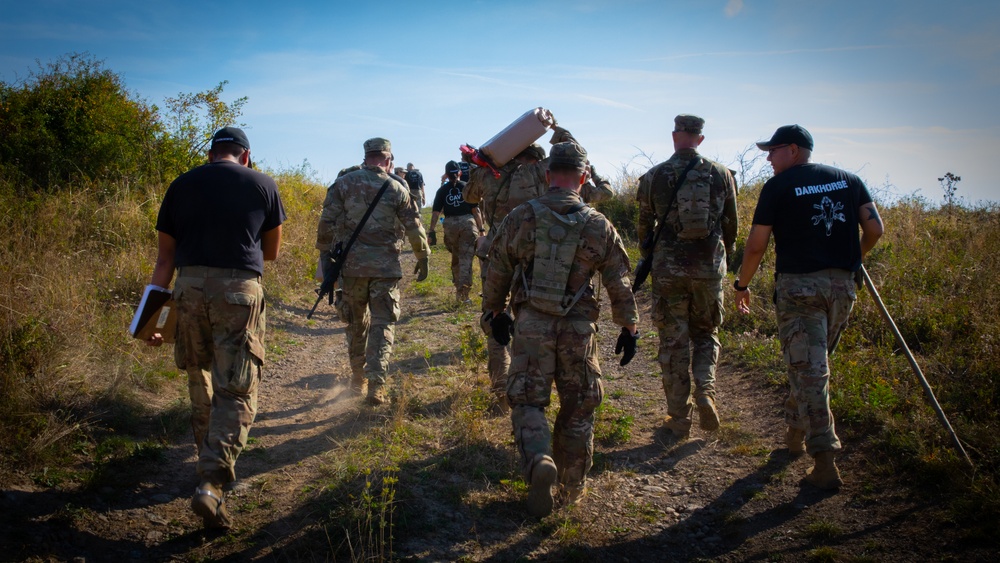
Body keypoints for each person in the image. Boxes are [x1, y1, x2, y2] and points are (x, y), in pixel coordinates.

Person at [482, 142, 639, 517]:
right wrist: (629, 327)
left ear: (549, 176)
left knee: (528, 400)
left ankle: (538, 461)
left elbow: (498, 268)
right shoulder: (599, 224)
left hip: (532, 322)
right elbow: (619, 280)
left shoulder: (521, 216)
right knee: (579, 406)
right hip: (579, 331)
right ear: (583, 179)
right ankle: (573, 488)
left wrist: (494, 313)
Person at [145, 126, 286, 530]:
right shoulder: (262, 184)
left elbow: (164, 260)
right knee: (237, 388)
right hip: (239, 291)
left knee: (199, 376)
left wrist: (150, 320)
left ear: (210, 154)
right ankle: (212, 482)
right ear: (246, 155)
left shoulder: (181, 185)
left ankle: (207, 468)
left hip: (186, 288)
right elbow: (271, 253)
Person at [734, 124, 883, 489]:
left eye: (773, 150)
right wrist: (851, 260)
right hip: (841, 287)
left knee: (810, 369)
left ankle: (825, 459)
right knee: (813, 365)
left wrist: (742, 284)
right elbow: (876, 229)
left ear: (794, 150)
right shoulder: (850, 180)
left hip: (799, 288)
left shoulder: (779, 187)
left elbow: (756, 245)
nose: (768, 157)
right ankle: (794, 430)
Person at [465, 129, 613, 413]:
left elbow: (467, 195)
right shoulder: (542, 173)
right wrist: (588, 164)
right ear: (538, 156)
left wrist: (484, 163)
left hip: (498, 255)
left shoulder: (489, 175)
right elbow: (600, 193)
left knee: (495, 318)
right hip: (541, 255)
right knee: (534, 317)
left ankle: (501, 388)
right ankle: (536, 380)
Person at [636, 114, 739, 439]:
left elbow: (644, 228)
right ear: (700, 139)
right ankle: (705, 392)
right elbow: (731, 225)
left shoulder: (655, 176)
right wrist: (723, 257)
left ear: (674, 136)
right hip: (708, 268)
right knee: (706, 334)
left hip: (669, 271)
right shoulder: (721, 174)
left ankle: (679, 418)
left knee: (673, 341)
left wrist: (649, 256)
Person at [318, 137, 430, 405]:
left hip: (352, 269)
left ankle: (358, 379)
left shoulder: (343, 183)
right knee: (382, 324)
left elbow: (326, 223)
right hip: (386, 269)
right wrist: (423, 255)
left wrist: (325, 259)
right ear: (389, 160)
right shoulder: (397, 187)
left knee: (357, 324)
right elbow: (413, 225)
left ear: (366, 156)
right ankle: (376, 386)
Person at [430, 160, 485, 303]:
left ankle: (458, 289)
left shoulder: (442, 191)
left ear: (446, 175)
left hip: (450, 226)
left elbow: (436, 213)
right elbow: (476, 210)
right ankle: (463, 295)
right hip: (467, 224)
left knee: (456, 257)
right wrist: (481, 230)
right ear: (460, 173)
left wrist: (431, 231)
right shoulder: (467, 188)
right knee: (466, 260)